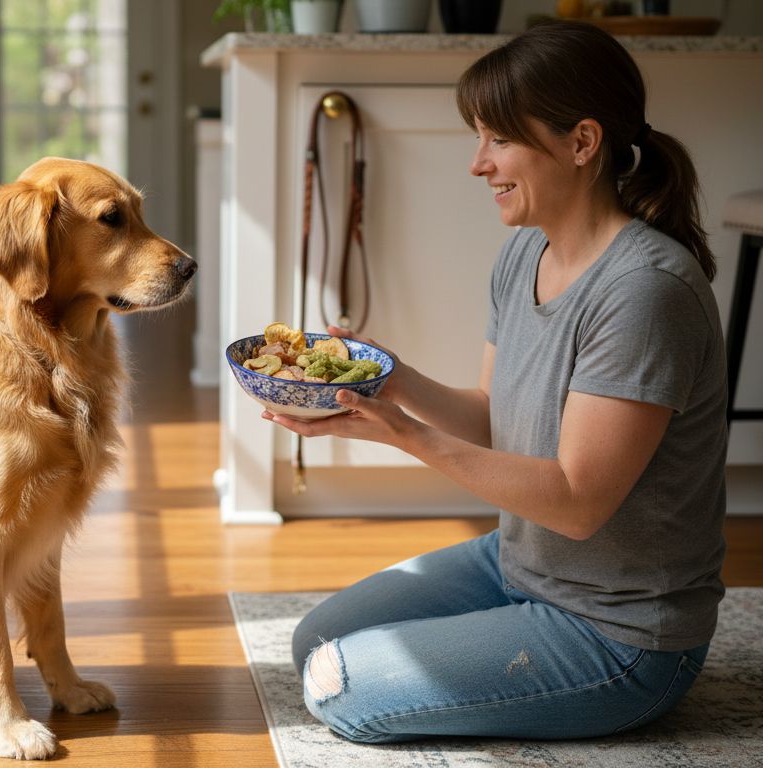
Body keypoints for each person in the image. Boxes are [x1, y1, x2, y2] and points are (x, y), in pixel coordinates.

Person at [266, 20, 728, 743]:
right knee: (313, 643)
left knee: (340, 687)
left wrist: (410, 438)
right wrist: (385, 381)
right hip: (519, 564)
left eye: (499, 139)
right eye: (478, 137)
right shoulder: (523, 257)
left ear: (582, 142)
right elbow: (490, 416)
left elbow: (577, 503)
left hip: (619, 629)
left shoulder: (645, 291)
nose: (479, 164)